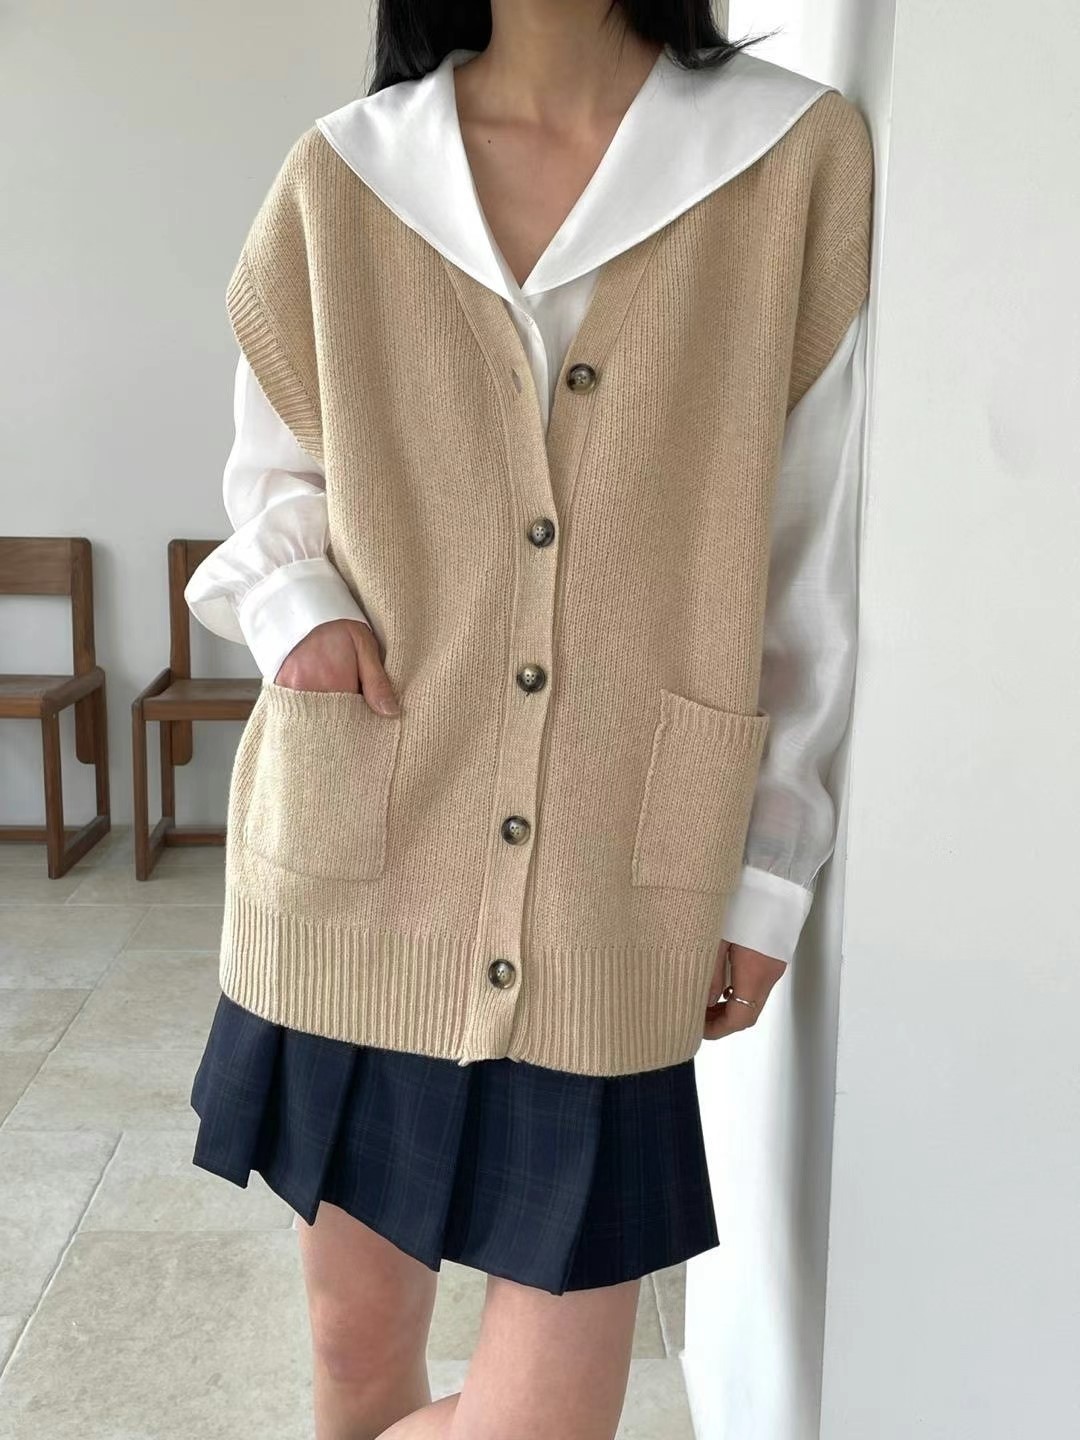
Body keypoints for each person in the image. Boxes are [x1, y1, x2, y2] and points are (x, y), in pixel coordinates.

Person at [184, 2, 873, 1436]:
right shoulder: (347, 173)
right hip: (366, 858)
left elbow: (811, 553)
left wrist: (772, 863)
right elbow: (273, 475)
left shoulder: (789, 161)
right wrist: (297, 606)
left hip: (615, 885)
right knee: (354, 1363)